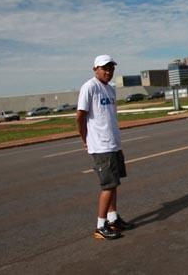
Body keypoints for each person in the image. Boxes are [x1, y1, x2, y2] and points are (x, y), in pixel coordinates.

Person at [76, 54, 135, 240]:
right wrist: (84, 138)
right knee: (108, 186)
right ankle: (100, 226)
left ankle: (113, 219)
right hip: (101, 145)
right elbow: (80, 116)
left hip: (114, 143)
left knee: (114, 183)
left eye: (111, 68)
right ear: (95, 69)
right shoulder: (89, 87)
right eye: (104, 68)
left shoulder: (110, 89)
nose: (108, 71)